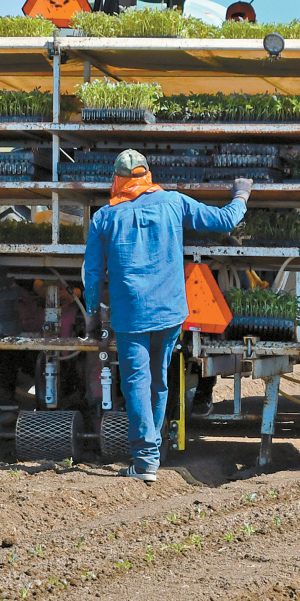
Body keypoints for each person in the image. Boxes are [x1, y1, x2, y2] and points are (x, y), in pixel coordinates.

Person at [83, 149, 250, 482]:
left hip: (130, 314)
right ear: (147, 174)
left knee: (136, 383)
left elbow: (92, 273)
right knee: (159, 380)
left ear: (116, 180)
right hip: (170, 312)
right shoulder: (173, 203)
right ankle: (152, 452)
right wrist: (241, 195)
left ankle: (146, 460)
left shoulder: (104, 218)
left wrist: (92, 313)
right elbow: (223, 221)